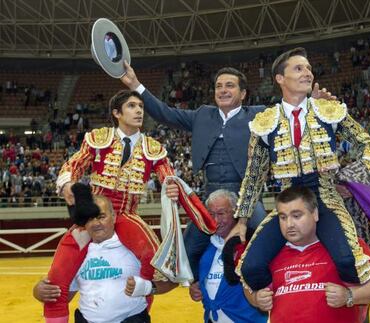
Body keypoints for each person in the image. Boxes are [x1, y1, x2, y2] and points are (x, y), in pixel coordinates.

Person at [120, 61, 333, 280]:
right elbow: (165, 113)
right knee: (188, 250)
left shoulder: (260, 115)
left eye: (230, 85)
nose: (223, 90)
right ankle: (199, 288)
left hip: (246, 197)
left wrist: (312, 105)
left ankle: (289, 280)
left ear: (242, 93)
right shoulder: (202, 115)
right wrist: (136, 84)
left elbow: (291, 112)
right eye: (219, 86)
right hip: (210, 196)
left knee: (271, 239)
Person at [39, 90, 215, 323]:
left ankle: (140, 313)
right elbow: (75, 163)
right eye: (132, 106)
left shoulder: (153, 148)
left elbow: (169, 178)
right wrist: (67, 184)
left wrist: (173, 189)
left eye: (141, 106)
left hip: (127, 217)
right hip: (94, 217)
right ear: (116, 113)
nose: (139, 111)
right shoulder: (98, 139)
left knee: (154, 262)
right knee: (58, 275)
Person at [236, 47, 370, 291]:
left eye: (309, 69)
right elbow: (253, 175)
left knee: (349, 261)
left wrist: (355, 178)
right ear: (280, 79)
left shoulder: (328, 111)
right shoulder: (265, 122)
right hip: (287, 205)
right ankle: (287, 299)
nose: (308, 73)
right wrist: (242, 220)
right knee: (250, 267)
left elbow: (364, 142)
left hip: (325, 199)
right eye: (299, 68)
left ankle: (354, 309)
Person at [244, 186, 370, 323]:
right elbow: (248, 286)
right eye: (283, 217)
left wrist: (350, 296)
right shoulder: (271, 252)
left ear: (315, 214)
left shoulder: (344, 246)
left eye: (297, 216)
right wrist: (256, 299)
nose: (289, 224)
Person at [34, 184, 176, 323]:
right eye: (90, 218)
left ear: (113, 217)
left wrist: (147, 287)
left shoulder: (134, 247)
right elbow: (61, 294)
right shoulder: (78, 253)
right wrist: (39, 291)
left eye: (101, 216)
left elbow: (172, 282)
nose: (95, 223)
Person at [189, 189, 267, 323]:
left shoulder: (252, 245)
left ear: (235, 212)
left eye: (221, 213)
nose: (215, 220)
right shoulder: (206, 246)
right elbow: (204, 282)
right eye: (211, 214)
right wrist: (196, 288)